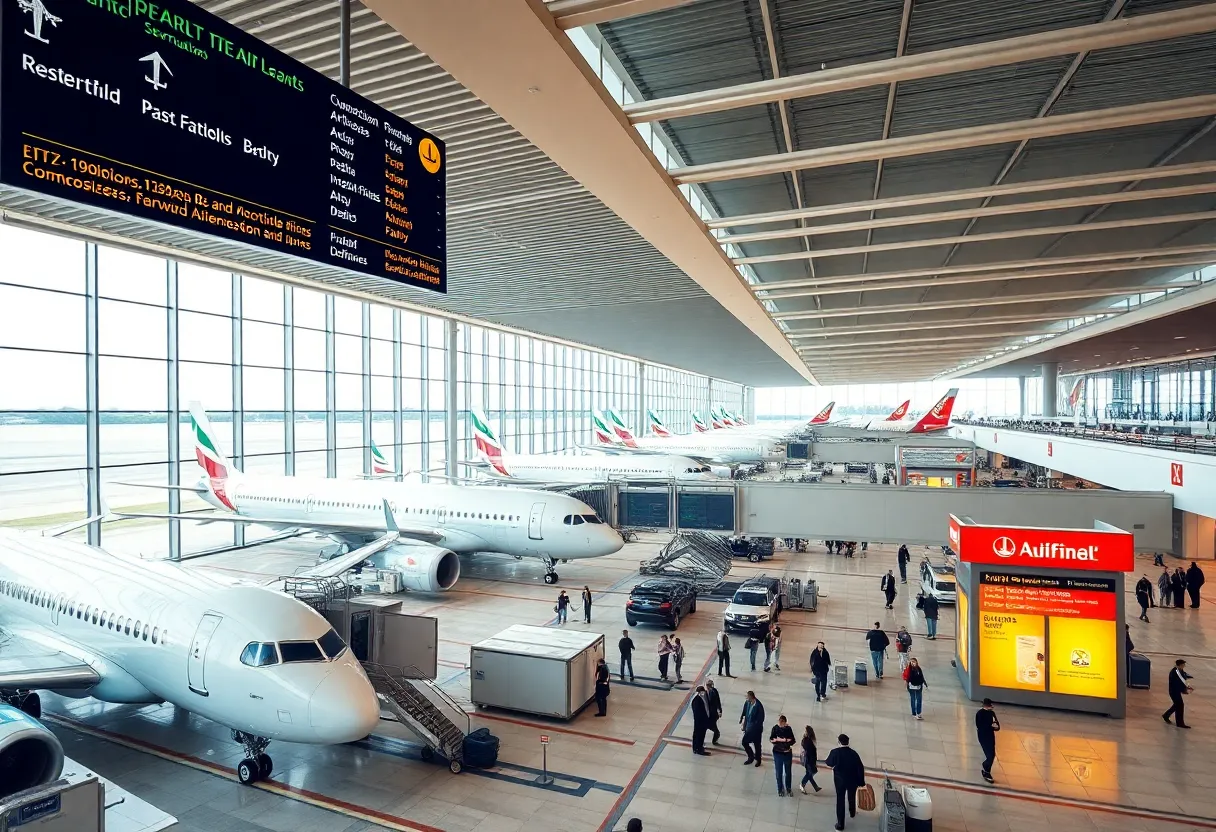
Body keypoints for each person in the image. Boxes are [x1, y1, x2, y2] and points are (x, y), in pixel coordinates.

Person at [824, 734, 866, 830]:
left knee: (840, 800)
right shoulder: (854, 754)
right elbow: (860, 768)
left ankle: (840, 824)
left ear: (839, 742)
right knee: (851, 796)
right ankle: (852, 812)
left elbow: (828, 762)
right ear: (848, 742)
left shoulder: (835, 752)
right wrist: (861, 782)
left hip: (840, 781)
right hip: (853, 781)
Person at [1163, 658, 1194, 728]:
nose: (1184, 666)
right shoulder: (1175, 672)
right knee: (1180, 705)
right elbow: (1179, 682)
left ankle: (1166, 715)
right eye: (1183, 665)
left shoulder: (1180, 671)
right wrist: (1184, 689)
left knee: (1177, 705)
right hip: (1174, 691)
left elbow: (1184, 676)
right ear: (1179, 665)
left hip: (1176, 691)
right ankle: (1180, 723)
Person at [770, 715, 796, 796]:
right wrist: (784, 740)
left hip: (787, 753)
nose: (780, 723)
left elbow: (792, 740)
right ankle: (780, 789)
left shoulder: (788, 729)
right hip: (778, 753)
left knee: (788, 772)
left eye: (782, 722)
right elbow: (772, 739)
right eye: (779, 721)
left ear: (785, 722)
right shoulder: (775, 728)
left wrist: (779, 740)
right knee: (779, 772)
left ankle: (788, 788)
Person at [975, 698, 1000, 783]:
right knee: (990, 754)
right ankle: (986, 769)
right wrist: (991, 727)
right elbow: (979, 725)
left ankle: (987, 770)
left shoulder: (991, 713)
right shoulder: (980, 713)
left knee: (992, 754)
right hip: (984, 736)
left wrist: (992, 727)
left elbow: (996, 725)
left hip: (989, 735)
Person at [739, 690, 765, 767]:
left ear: (751, 697)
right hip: (749, 728)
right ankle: (751, 757)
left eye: (747, 697)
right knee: (744, 742)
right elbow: (745, 712)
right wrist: (743, 721)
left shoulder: (758, 706)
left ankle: (758, 759)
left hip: (756, 730)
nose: (746, 698)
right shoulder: (748, 703)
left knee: (757, 745)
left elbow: (761, 719)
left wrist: (752, 728)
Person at [798, 725, 822, 794]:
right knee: (811, 773)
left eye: (806, 731)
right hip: (809, 760)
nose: (805, 732)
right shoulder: (807, 741)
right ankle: (802, 784)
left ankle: (815, 786)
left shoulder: (809, 740)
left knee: (809, 773)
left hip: (809, 760)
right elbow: (810, 752)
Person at [690, 685, 711, 755]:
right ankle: (698, 749)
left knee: (701, 735)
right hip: (699, 721)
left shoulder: (703, 697)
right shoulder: (696, 700)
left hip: (704, 720)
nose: (703, 693)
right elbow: (697, 713)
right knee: (698, 735)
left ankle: (699, 747)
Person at [705, 679, 722, 745]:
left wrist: (719, 710)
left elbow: (718, 701)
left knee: (713, 726)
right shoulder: (705, 692)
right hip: (707, 713)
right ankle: (716, 735)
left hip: (713, 713)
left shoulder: (714, 691)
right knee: (707, 726)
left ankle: (715, 737)